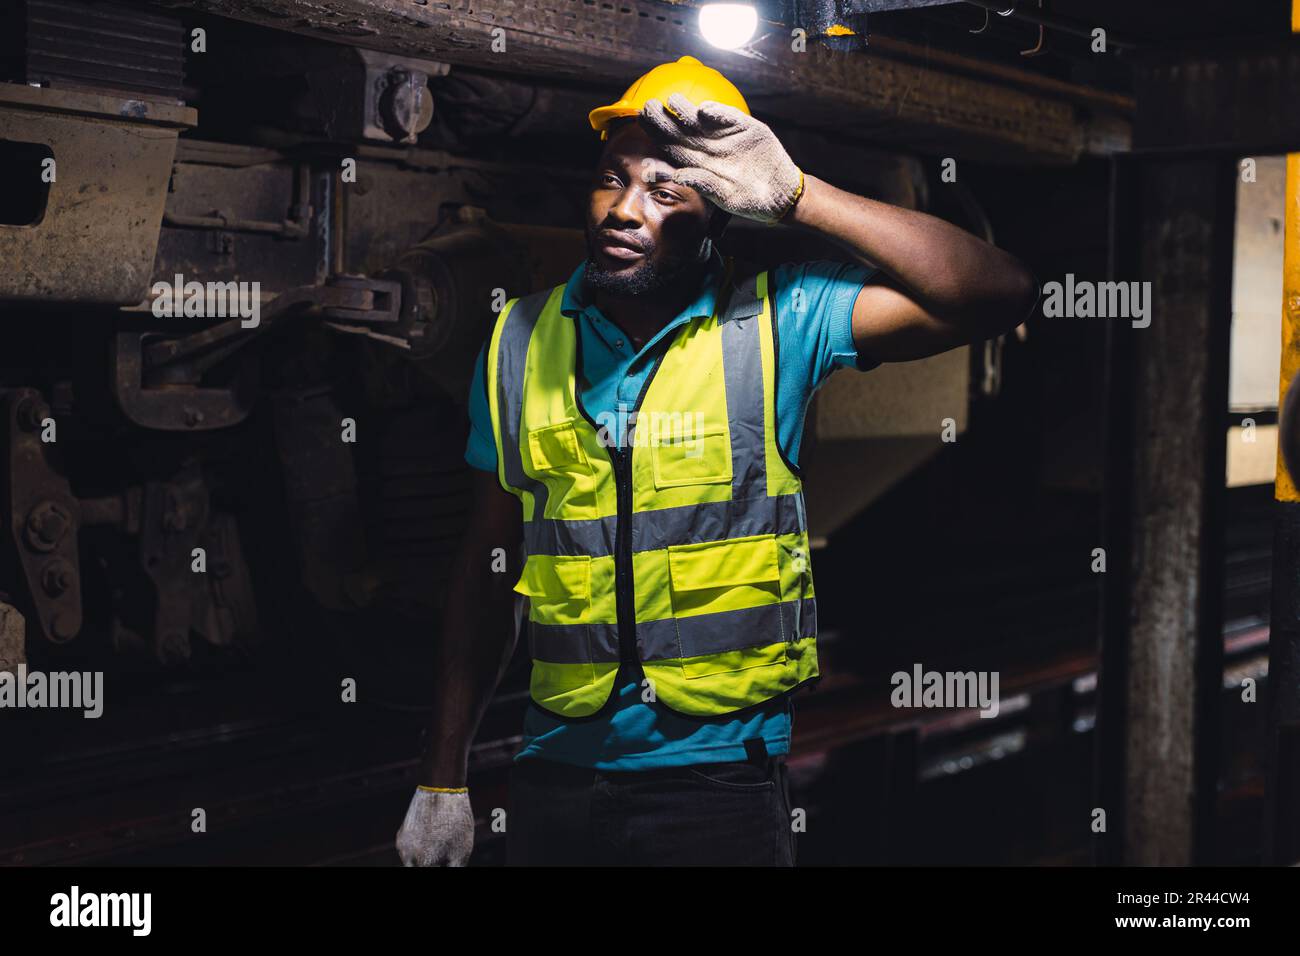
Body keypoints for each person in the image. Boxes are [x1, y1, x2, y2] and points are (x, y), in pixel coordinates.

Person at [396, 56, 1038, 866]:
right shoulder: (519, 337)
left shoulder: (781, 319)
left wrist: (803, 195)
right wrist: (442, 776)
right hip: (553, 776)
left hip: (716, 792)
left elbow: (998, 291)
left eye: (666, 190)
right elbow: (489, 565)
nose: (624, 210)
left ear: (720, 217)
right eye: (611, 179)